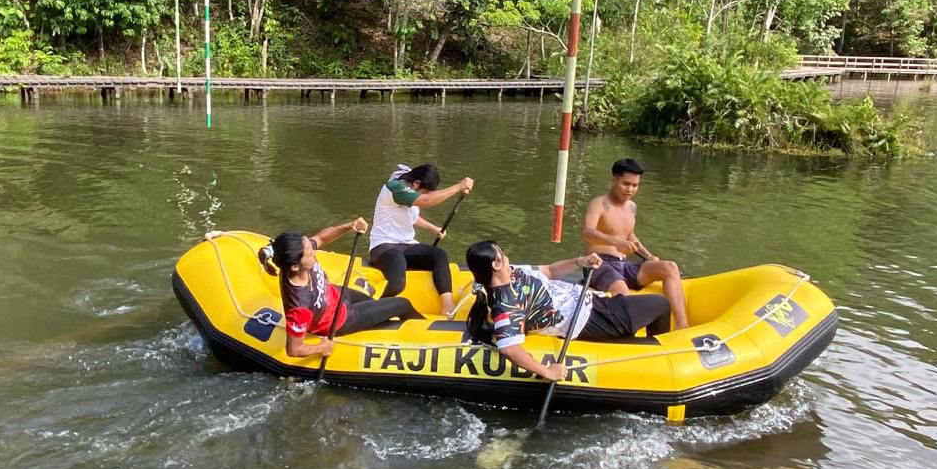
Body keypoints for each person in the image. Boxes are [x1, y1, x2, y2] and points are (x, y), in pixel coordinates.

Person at [464, 240, 672, 381]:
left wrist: (579, 261)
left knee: (639, 301)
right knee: (661, 304)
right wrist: (547, 371)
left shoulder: (513, 271)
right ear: (496, 264)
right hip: (591, 319)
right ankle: (662, 363)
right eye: (502, 253)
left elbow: (549, 271)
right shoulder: (505, 303)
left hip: (590, 301)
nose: (506, 255)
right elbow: (509, 348)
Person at [258, 217, 422, 359]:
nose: (314, 253)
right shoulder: (299, 306)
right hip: (341, 319)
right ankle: (427, 331)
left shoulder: (297, 255)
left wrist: (349, 226)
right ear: (295, 267)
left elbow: (321, 238)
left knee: (376, 305)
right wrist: (321, 347)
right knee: (402, 304)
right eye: (310, 254)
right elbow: (294, 349)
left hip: (338, 295)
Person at [581, 158, 689, 330]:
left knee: (670, 267)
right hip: (599, 263)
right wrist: (616, 242)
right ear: (614, 179)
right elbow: (587, 232)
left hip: (624, 264)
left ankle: (682, 326)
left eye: (635, 185)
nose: (630, 189)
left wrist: (648, 256)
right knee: (624, 293)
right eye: (626, 184)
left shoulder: (632, 207)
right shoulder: (598, 204)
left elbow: (629, 235)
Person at [369, 163, 474, 317]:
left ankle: (447, 306)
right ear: (416, 183)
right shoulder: (395, 188)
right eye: (425, 192)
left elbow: (411, 216)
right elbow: (425, 201)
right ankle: (369, 307)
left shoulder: (410, 186)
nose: (425, 195)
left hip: (406, 245)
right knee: (398, 281)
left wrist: (433, 228)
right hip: (384, 246)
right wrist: (459, 186)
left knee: (439, 255)